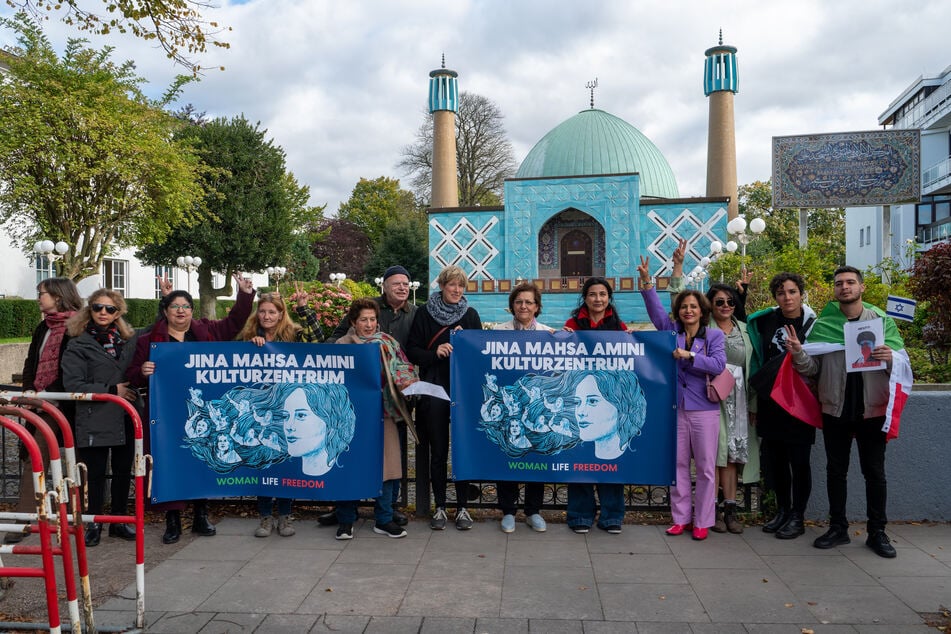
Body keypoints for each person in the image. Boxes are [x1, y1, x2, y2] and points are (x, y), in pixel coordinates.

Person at [126, 273, 256, 544]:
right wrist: (143, 370)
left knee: (199, 458)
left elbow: (234, 323)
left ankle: (200, 514)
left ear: (192, 311)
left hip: (202, 413)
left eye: (185, 306)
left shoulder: (206, 334)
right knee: (167, 464)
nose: (181, 311)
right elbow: (133, 375)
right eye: (175, 307)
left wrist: (244, 295)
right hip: (165, 414)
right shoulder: (148, 342)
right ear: (165, 311)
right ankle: (172, 520)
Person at [786, 266, 905, 558]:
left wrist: (890, 358)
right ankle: (838, 527)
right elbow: (812, 370)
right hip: (835, 408)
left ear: (861, 288)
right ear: (835, 290)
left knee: (874, 472)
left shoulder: (881, 321)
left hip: (872, 408)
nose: (845, 287)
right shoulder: (823, 324)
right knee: (835, 471)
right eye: (839, 283)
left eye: (851, 282)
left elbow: (902, 365)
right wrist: (799, 352)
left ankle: (877, 532)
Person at [321, 265, 417, 528]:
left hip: (384, 413)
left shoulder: (387, 342)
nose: (369, 324)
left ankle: (384, 517)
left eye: (372, 320)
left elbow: (404, 368)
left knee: (389, 466)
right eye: (363, 320)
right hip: (350, 416)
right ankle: (345, 518)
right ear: (353, 322)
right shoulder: (342, 346)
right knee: (349, 463)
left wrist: (411, 384)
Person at [639, 257, 726, 541]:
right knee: (677, 466)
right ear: (678, 312)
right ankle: (680, 519)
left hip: (704, 410)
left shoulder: (713, 336)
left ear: (703, 311)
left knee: (704, 468)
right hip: (675, 409)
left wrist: (691, 356)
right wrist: (647, 282)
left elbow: (718, 366)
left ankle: (702, 521)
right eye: (684, 307)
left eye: (693, 306)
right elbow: (655, 312)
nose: (688, 310)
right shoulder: (670, 332)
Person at [237, 286, 321, 539]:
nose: (267, 316)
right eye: (262, 312)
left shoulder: (293, 335)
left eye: (272, 312)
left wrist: (304, 309)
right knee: (263, 462)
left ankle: (284, 515)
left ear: (281, 313)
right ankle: (264, 516)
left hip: (286, 409)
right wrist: (252, 346)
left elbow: (317, 343)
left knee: (284, 462)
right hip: (261, 409)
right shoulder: (249, 336)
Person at [6, 277, 83, 544]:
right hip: (41, 405)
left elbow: (74, 367)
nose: (39, 298)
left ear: (58, 297)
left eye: (42, 294)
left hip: (68, 405)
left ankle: (80, 516)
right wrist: (30, 392)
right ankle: (27, 517)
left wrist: (50, 393)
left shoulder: (78, 326)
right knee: (34, 457)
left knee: (77, 460)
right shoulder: (44, 327)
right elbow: (31, 361)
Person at [60, 289, 139, 546]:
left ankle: (118, 521)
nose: (103, 312)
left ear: (118, 313)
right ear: (89, 309)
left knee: (122, 472)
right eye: (98, 307)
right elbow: (72, 384)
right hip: (95, 416)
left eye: (110, 309)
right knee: (93, 475)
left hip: (125, 416)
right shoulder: (77, 343)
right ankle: (93, 523)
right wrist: (111, 390)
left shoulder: (129, 340)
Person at [406, 264, 482, 531]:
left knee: (462, 449)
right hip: (434, 387)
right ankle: (440, 506)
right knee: (438, 450)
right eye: (452, 285)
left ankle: (463, 507)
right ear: (441, 286)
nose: (457, 290)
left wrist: (467, 345)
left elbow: (480, 352)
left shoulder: (470, 315)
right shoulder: (425, 313)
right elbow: (412, 349)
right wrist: (434, 352)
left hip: (462, 389)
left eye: (461, 286)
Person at [746, 273, 817, 540]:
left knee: (799, 461)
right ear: (774, 296)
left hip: (799, 400)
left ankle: (798, 516)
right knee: (775, 461)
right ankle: (783, 511)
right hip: (771, 399)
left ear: (801, 293)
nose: (787, 297)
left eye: (792, 291)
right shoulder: (766, 320)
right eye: (780, 293)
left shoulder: (812, 324)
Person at [563, 277, 629, 535]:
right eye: (593, 294)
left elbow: (630, 353)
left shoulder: (616, 325)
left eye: (602, 294)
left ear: (608, 298)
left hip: (607, 398)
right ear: (585, 297)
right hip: (582, 393)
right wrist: (561, 337)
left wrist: (631, 339)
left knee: (610, 459)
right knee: (580, 458)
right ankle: (580, 515)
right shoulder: (573, 324)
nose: (598, 299)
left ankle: (612, 515)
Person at [492, 282, 553, 534]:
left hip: (535, 408)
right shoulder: (498, 332)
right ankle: (508, 511)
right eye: (519, 302)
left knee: (535, 456)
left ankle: (533, 511)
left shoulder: (549, 334)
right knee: (508, 453)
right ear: (512, 306)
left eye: (529, 302)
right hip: (511, 407)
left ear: (537, 307)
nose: (524, 306)